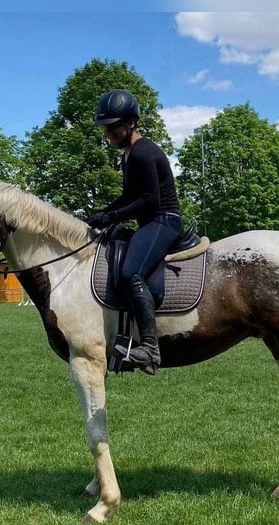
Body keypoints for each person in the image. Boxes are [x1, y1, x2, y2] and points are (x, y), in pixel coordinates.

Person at [87, 89, 183, 376]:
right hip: (149, 221)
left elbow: (150, 200)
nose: (109, 133)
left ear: (131, 123)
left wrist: (114, 215)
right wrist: (101, 215)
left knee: (132, 273)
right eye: (106, 128)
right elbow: (129, 196)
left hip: (163, 220)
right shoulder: (127, 155)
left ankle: (151, 348)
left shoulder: (143, 152)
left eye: (114, 127)